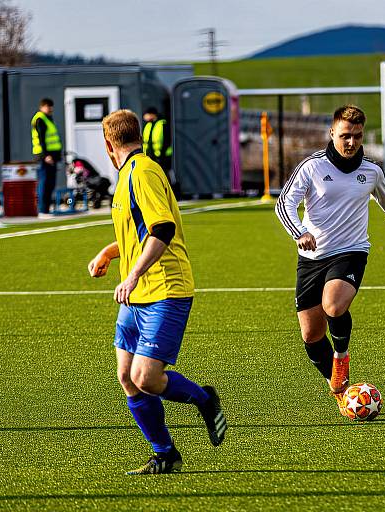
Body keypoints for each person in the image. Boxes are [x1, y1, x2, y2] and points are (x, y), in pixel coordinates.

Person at [88, 109, 226, 474]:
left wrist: (131, 275)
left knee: (146, 378)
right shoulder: (126, 176)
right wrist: (109, 252)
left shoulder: (143, 172)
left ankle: (203, 398)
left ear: (108, 145)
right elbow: (138, 232)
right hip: (136, 294)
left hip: (165, 288)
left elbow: (161, 230)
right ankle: (165, 454)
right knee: (126, 377)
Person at [275, 105, 385, 416]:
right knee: (311, 335)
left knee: (334, 306)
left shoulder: (371, 171)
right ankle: (340, 390)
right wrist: (299, 232)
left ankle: (342, 356)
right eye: (345, 136)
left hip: (351, 251)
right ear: (332, 133)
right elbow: (286, 203)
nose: (351, 142)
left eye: (357, 136)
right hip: (311, 256)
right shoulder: (311, 167)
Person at [31, 98, 63, 216]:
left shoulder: (48, 119)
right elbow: (41, 139)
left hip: (52, 157)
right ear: (42, 107)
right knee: (44, 183)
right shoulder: (40, 119)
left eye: (51, 106)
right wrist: (46, 156)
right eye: (47, 106)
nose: (50, 108)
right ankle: (42, 210)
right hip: (44, 157)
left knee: (50, 183)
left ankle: (46, 209)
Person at [141, 107, 175, 195]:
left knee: (164, 175)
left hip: (161, 156)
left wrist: (162, 154)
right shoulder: (148, 125)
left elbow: (167, 140)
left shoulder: (162, 123)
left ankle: (169, 193)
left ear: (152, 114)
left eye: (146, 114)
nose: (144, 117)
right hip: (150, 156)